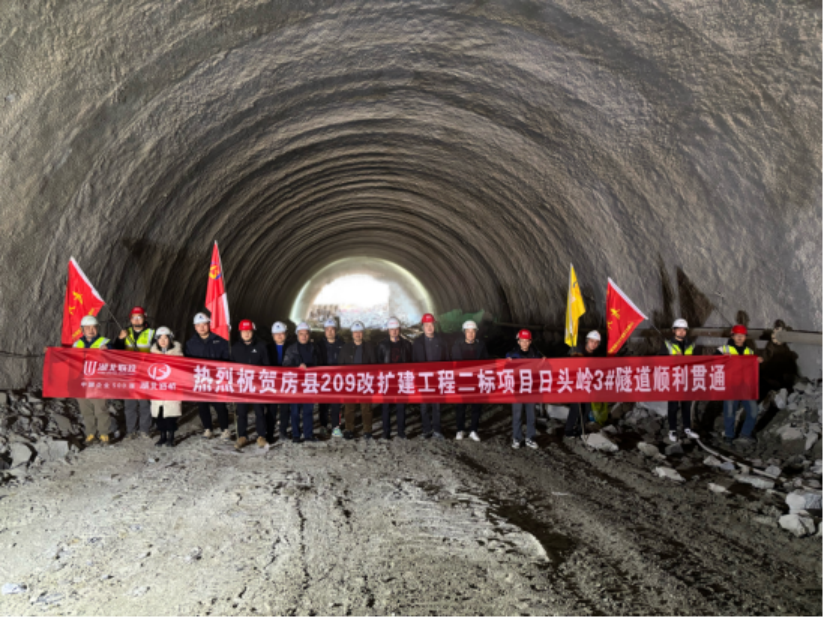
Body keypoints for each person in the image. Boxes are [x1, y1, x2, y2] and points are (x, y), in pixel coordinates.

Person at [184, 312, 232, 440]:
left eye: (204, 324)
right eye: (198, 325)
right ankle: (208, 429)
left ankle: (225, 429)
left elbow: (227, 358)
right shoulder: (190, 343)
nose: (202, 327)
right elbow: (188, 363)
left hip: (217, 379)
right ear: (195, 327)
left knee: (220, 405)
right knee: (202, 405)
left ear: (209, 324)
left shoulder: (220, 341)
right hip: (201, 379)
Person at [113, 307, 156, 440]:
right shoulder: (125, 332)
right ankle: (131, 430)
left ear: (145, 318)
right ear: (130, 319)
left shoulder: (152, 333)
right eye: (134, 317)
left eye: (139, 317)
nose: (137, 320)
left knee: (144, 404)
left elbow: (158, 351)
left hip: (145, 373)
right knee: (129, 404)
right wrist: (120, 339)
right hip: (129, 374)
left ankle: (144, 430)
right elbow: (115, 351)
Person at [717, 325, 764, 446]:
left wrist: (758, 361)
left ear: (745, 337)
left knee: (753, 410)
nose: (739, 337)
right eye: (737, 335)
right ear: (732, 336)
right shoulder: (723, 349)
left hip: (745, 387)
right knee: (729, 412)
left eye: (742, 335)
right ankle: (729, 435)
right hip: (731, 386)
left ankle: (745, 434)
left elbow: (752, 368)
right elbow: (711, 362)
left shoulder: (749, 351)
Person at [232, 320, 271, 451]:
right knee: (241, 412)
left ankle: (261, 436)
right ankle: (242, 436)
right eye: (244, 331)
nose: (246, 334)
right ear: (240, 333)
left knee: (259, 411)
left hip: (257, 385)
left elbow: (267, 365)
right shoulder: (235, 348)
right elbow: (231, 367)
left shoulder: (261, 346)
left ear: (253, 332)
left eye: (249, 331)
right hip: (242, 385)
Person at [73, 316, 112, 446]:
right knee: (86, 410)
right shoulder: (76, 344)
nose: (91, 330)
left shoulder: (105, 342)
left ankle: (104, 434)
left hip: (98, 382)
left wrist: (108, 349)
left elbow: (116, 355)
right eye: (87, 327)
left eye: (94, 327)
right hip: (82, 382)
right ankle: (90, 434)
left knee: (101, 409)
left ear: (97, 328)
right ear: (82, 329)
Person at [661, 319, 701, 443]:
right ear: (674, 331)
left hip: (687, 379)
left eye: (684, 330)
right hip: (673, 379)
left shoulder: (691, 345)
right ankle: (672, 430)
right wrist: (674, 359)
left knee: (686, 405)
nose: (681, 332)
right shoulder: (667, 344)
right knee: (673, 406)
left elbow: (698, 361)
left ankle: (687, 428)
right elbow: (660, 362)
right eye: (679, 329)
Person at [412, 313, 449, 440]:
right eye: (426, 325)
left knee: (437, 406)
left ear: (434, 326)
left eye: (431, 324)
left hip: (437, 379)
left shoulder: (442, 342)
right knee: (424, 406)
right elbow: (414, 362)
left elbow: (447, 360)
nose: (429, 327)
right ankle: (426, 430)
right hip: (423, 379)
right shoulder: (417, 343)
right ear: (423, 327)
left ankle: (437, 430)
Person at [451, 320, 489, 442]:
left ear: (476, 332)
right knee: (461, 406)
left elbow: (487, 361)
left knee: (476, 406)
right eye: (468, 331)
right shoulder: (457, 345)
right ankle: (460, 430)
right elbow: (455, 362)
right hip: (462, 380)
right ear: (464, 332)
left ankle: (473, 430)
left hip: (477, 380)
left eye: (473, 331)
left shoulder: (481, 345)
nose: (471, 334)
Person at [339, 322, 378, 440]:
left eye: (360, 332)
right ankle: (349, 429)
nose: (357, 334)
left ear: (363, 333)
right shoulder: (346, 348)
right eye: (355, 332)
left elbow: (374, 365)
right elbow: (340, 365)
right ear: (352, 334)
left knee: (366, 408)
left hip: (365, 381)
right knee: (349, 408)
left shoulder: (369, 347)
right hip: (350, 382)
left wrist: (373, 381)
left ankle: (367, 431)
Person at [566, 331, 607, 438]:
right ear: (587, 341)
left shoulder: (595, 355)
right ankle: (568, 430)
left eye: (596, 342)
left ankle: (581, 430)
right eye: (592, 341)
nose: (593, 344)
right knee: (576, 407)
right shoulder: (577, 351)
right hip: (576, 384)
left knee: (587, 408)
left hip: (588, 386)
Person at [506, 330, 542, 450]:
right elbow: (505, 366)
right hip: (518, 390)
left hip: (531, 389)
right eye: (522, 341)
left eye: (527, 341)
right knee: (517, 415)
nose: (524, 343)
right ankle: (517, 438)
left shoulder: (535, 355)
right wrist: (508, 362)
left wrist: (544, 362)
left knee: (531, 415)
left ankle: (530, 438)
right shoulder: (512, 355)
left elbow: (544, 367)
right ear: (518, 342)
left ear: (530, 342)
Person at [284, 322, 319, 443]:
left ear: (309, 335)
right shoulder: (291, 349)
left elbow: (319, 364)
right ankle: (296, 435)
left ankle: (308, 434)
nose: (304, 336)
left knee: (308, 410)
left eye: (306, 334)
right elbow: (285, 365)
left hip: (310, 382)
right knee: (295, 411)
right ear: (297, 335)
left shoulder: (314, 348)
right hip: (295, 383)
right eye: (301, 334)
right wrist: (297, 367)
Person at [378, 317, 413, 440]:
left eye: (396, 329)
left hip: (401, 379)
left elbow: (411, 361)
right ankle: (386, 432)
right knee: (386, 406)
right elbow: (379, 362)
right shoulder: (382, 345)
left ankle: (401, 431)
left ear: (399, 329)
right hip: (387, 380)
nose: (394, 331)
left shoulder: (406, 344)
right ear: (388, 330)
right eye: (392, 329)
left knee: (401, 406)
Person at [150, 327, 183, 448]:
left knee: (171, 416)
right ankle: (162, 436)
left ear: (170, 339)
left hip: (171, 389)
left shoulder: (178, 354)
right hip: (158, 390)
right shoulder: (152, 355)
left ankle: (171, 437)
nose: (163, 341)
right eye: (160, 338)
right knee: (159, 415)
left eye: (165, 338)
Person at [316, 318, 345, 438]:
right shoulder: (319, 345)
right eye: (327, 329)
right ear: (324, 331)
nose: (330, 332)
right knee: (323, 404)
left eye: (332, 329)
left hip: (337, 379)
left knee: (336, 404)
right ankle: (323, 426)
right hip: (323, 379)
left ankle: (335, 427)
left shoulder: (342, 345)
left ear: (336, 330)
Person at [267, 321, 291, 443]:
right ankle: (269, 433)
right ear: (272, 335)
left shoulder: (291, 347)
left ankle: (283, 431)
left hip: (286, 381)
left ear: (286, 334)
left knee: (285, 408)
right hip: (272, 382)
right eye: (276, 334)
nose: (279, 336)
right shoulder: (267, 348)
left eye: (281, 333)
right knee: (271, 409)